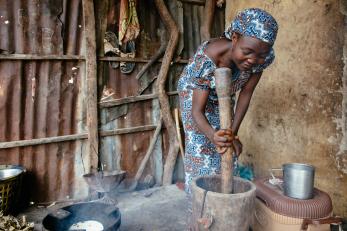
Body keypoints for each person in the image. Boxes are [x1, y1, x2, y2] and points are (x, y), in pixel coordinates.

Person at [177, 7, 278, 213]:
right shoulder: (208, 58)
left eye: (261, 55)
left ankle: (223, 206)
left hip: (224, 91)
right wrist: (212, 135)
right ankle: (197, 211)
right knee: (202, 150)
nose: (253, 60)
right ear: (234, 38)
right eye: (247, 52)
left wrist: (231, 132)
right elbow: (198, 111)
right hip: (194, 93)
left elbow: (245, 94)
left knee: (226, 147)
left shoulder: (261, 57)